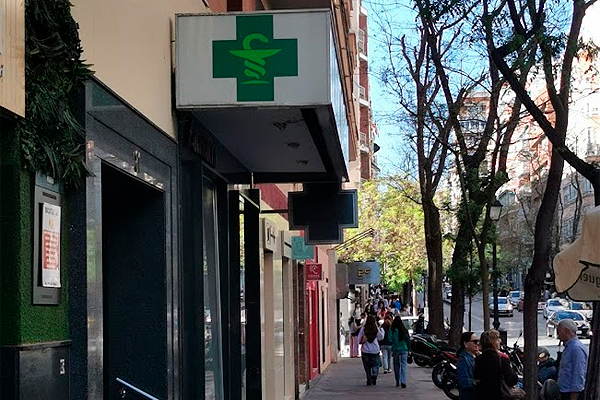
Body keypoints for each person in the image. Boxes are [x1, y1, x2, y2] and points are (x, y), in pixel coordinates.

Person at [473, 329, 518, 400]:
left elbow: (477, 377)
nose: (500, 341)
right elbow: (511, 380)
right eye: (498, 339)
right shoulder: (502, 358)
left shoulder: (478, 359)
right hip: (500, 395)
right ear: (493, 342)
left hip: (484, 395)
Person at [556, 319, 588, 400]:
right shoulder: (569, 347)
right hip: (564, 391)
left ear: (566, 331)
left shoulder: (576, 348)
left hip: (571, 393)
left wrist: (575, 392)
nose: (557, 335)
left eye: (559, 331)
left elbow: (579, 371)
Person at [357, 315, 384, 386]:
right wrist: (381, 329)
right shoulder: (376, 329)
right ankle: (374, 375)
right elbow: (381, 337)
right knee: (375, 364)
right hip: (375, 350)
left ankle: (369, 379)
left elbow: (358, 338)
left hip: (365, 350)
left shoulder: (364, 329)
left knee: (367, 366)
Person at [456, 332, 479, 400]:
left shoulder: (477, 356)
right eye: (475, 341)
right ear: (466, 344)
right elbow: (462, 381)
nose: (477, 343)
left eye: (478, 341)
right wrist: (477, 382)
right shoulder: (463, 360)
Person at [390, 315, 411, 388]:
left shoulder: (393, 330)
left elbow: (391, 339)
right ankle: (403, 381)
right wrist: (409, 349)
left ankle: (397, 381)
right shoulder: (404, 330)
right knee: (403, 365)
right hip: (404, 349)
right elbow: (408, 340)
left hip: (396, 349)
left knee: (396, 365)